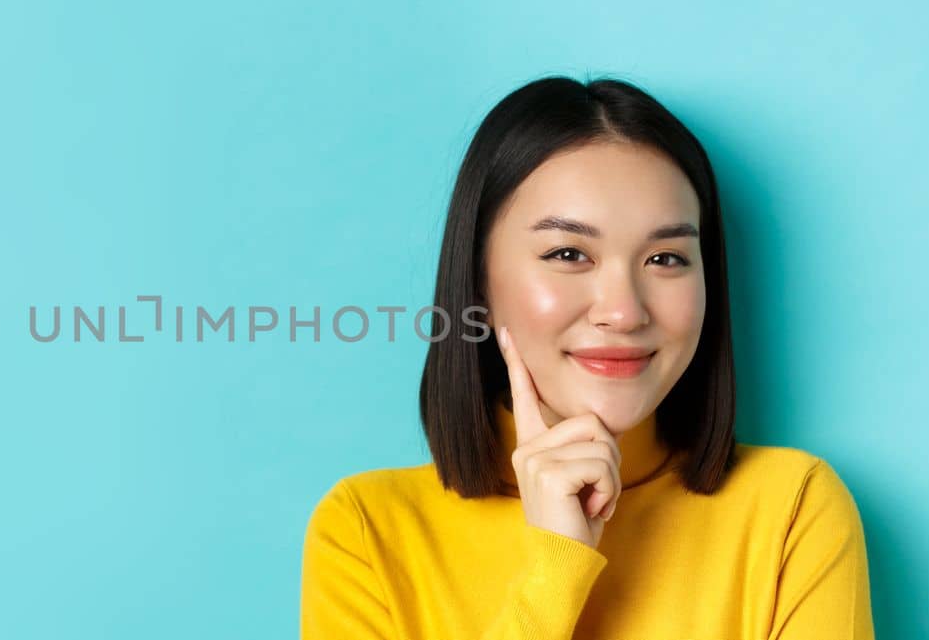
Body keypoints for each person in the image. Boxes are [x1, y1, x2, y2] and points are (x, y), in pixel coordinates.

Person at [299, 76, 874, 639]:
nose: (623, 312)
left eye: (667, 259)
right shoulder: (366, 532)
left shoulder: (792, 509)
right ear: (477, 280)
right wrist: (557, 567)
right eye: (569, 253)